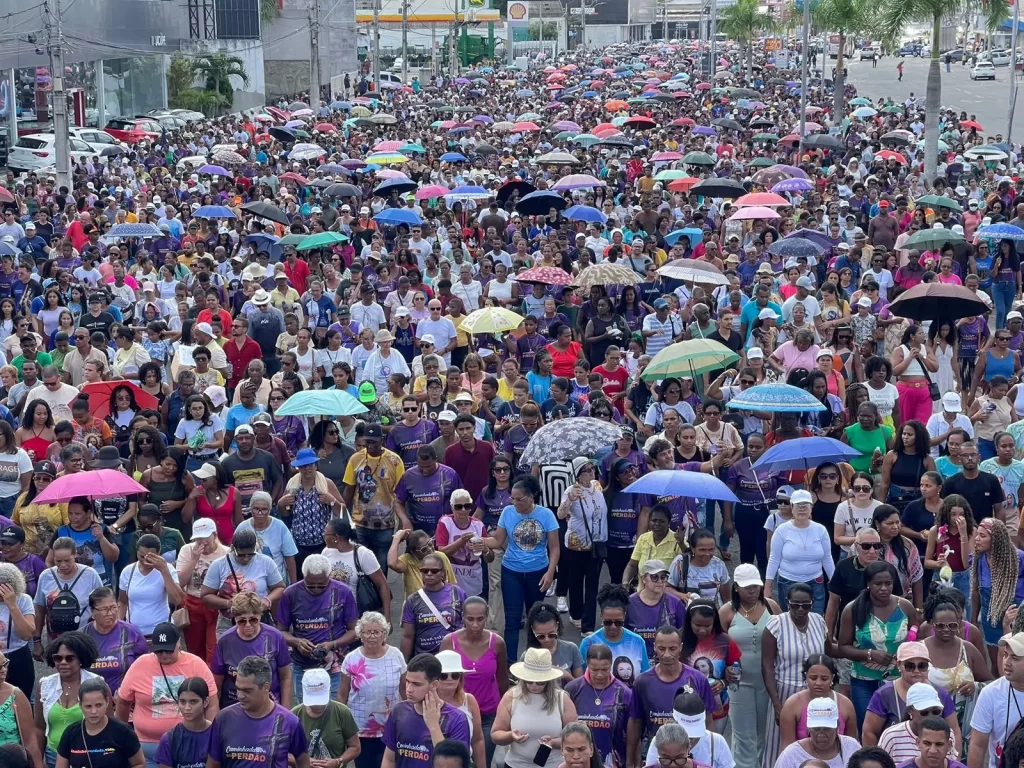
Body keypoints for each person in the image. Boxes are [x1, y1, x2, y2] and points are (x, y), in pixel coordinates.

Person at [115, 622, 218, 767]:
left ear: (179, 644)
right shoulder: (140, 665)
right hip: (147, 746)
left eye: (169, 650)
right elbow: (123, 702)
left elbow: (212, 703)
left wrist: (209, 738)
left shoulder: (196, 664)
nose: (164, 655)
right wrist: (123, 736)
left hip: (188, 743)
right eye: (159, 651)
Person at [480, 476, 559, 661]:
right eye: (512, 498)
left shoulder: (546, 515)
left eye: (519, 499)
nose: (514, 502)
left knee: (536, 620)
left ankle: (533, 660)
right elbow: (497, 540)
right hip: (511, 572)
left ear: (531, 497)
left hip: (538, 572)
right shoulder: (507, 512)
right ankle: (509, 665)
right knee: (512, 620)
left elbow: (554, 548)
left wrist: (550, 572)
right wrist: (478, 540)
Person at [762, 581, 828, 768]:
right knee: (779, 745)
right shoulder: (775, 624)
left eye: (806, 605)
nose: (801, 609)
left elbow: (830, 652)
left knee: (815, 739)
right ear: (787, 602)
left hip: (816, 692)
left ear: (812, 603)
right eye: (795, 605)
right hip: (785, 691)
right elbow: (767, 666)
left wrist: (865, 653)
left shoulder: (818, 621)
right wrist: (776, 704)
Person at [627, 625, 716, 764]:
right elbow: (635, 722)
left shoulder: (698, 679)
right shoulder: (642, 682)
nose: (667, 654)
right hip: (657, 755)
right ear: (655, 647)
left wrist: (709, 756)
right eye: (662, 649)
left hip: (691, 757)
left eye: (672, 649)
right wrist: (630, 762)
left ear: (680, 647)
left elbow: (708, 720)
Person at [437, 596, 507, 768]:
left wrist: (505, 713)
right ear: (462, 618)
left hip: (488, 715)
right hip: (456, 712)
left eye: (480, 619)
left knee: (483, 761)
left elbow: (502, 680)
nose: (475, 624)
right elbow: (438, 678)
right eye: (470, 619)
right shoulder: (449, 642)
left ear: (487, 618)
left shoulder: (497, 643)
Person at [276, 553, 357, 701]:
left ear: (329, 576)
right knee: (308, 708)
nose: (316, 589)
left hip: (335, 664)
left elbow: (354, 631)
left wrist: (332, 644)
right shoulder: (291, 594)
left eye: (321, 585)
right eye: (310, 585)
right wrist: (297, 642)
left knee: (334, 709)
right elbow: (281, 631)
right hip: (302, 664)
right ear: (304, 576)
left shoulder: (343, 592)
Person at [207, 655, 310, 768]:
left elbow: (303, 761)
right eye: (238, 688)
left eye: (247, 690)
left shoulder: (290, 722)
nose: (240, 695)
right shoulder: (223, 719)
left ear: (266, 687)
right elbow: (213, 764)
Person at [339, 612, 407, 768]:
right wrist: (342, 725)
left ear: (384, 634)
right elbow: (342, 694)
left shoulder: (396, 656)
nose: (372, 636)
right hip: (361, 727)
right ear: (360, 635)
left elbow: (404, 690)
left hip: (391, 726)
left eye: (376, 632)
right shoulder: (351, 658)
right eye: (367, 632)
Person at [491, 647, 577, 768]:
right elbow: (495, 734)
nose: (534, 686)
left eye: (540, 682)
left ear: (549, 680)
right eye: (529, 681)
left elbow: (575, 737)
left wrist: (554, 742)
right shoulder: (512, 696)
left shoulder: (562, 699)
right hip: (516, 764)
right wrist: (511, 736)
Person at [381, 653, 470, 768]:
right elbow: (389, 759)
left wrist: (433, 726)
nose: (409, 689)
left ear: (434, 685)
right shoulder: (399, 711)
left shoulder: (457, 719)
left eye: (417, 684)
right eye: (408, 682)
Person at [212, 592, 292, 709]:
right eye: (242, 621)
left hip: (269, 705)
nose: (248, 625)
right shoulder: (225, 641)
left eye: (253, 620)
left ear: (260, 616)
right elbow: (216, 683)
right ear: (235, 619)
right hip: (235, 706)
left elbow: (286, 676)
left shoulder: (275, 636)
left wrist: (285, 710)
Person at [33, 631, 102, 768]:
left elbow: (108, 726)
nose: (63, 662)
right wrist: (38, 762)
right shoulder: (45, 685)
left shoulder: (97, 684)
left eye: (70, 658)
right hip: (52, 756)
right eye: (58, 658)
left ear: (81, 659)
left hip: (87, 757)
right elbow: (39, 727)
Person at [200, 528, 285, 635]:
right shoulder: (219, 565)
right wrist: (229, 604)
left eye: (250, 555)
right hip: (229, 623)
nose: (246, 559)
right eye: (241, 555)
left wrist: (267, 600)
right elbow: (205, 596)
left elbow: (280, 588)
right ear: (232, 549)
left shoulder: (266, 562)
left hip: (258, 621)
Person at [765, 490, 835, 613]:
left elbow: (827, 558)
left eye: (805, 505)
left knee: (816, 618)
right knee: (791, 620)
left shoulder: (821, 530)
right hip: (788, 582)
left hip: (815, 582)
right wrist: (767, 587)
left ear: (811, 508)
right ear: (792, 507)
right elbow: (774, 559)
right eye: (798, 505)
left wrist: (835, 583)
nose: (802, 509)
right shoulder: (781, 530)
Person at [565, 644, 631, 768]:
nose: (599, 675)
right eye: (594, 670)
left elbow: (632, 734)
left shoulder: (624, 693)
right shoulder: (573, 689)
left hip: (613, 761)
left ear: (611, 665)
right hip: (578, 761)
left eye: (605, 669)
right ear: (587, 665)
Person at [55, 678, 143, 768]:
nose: (94, 711)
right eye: (88, 706)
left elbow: (139, 764)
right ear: (80, 705)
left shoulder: (123, 732)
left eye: (98, 705)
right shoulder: (70, 733)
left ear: (107, 702)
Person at [967, 630, 1024, 768]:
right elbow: (977, 746)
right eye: (1005, 655)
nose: (1007, 662)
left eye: (1015, 658)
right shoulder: (990, 693)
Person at [33, 537, 104, 645]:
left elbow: (102, 605)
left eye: (67, 560)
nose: (63, 565)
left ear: (75, 554)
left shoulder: (90, 575)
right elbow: (39, 609)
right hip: (56, 641)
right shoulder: (46, 576)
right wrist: (37, 640)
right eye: (58, 561)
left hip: (85, 638)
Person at [175, 518, 228, 663]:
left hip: (216, 604)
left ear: (214, 535)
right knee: (194, 649)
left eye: (205, 537)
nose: (202, 542)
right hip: (193, 602)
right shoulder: (187, 550)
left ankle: (210, 682)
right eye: (198, 538)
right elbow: (180, 582)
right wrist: (194, 559)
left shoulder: (226, 553)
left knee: (213, 648)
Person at [778, 655, 858, 750]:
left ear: (832, 678)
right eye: (813, 678)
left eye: (824, 679)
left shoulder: (846, 705)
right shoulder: (792, 705)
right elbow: (787, 747)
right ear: (805, 676)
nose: (818, 683)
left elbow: (851, 746)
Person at [81, 587, 148, 697]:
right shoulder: (82, 637)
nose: (110, 613)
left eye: (113, 607)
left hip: (125, 699)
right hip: (92, 702)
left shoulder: (132, 633)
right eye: (104, 609)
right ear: (92, 611)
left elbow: (145, 666)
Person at [320, 518, 391, 618]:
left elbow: (382, 585)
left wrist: (387, 619)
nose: (324, 537)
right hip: (332, 613)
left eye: (326, 534)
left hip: (357, 614)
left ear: (336, 537)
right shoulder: (326, 552)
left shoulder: (363, 554)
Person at [290, 667, 361, 768]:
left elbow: (355, 747)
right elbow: (284, 752)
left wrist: (338, 761)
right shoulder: (294, 715)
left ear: (330, 689)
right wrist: (304, 762)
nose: (317, 705)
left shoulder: (342, 712)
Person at [118, 533, 185, 637]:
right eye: (141, 556)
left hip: (161, 632)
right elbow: (122, 601)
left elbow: (177, 600)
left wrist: (164, 571)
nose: (145, 561)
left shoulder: (167, 569)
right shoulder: (128, 571)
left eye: (150, 557)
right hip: (134, 633)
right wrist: (118, 625)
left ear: (158, 553)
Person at [877, 683, 958, 765]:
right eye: (924, 712)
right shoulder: (891, 736)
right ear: (910, 711)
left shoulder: (947, 733)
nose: (931, 716)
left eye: (936, 712)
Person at [774, 697, 862, 768]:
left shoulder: (852, 747)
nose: (821, 734)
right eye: (816, 728)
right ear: (808, 727)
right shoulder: (791, 755)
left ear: (837, 725)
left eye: (827, 728)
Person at [433, 650, 485, 768]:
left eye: (455, 674)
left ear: (461, 677)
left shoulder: (469, 701)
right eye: (444, 675)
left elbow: (478, 740)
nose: (450, 678)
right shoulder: (425, 702)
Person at [234, 492, 298, 585]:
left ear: (270, 510)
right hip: (249, 581)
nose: (260, 513)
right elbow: (234, 554)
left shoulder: (280, 526)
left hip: (278, 580)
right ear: (251, 509)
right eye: (256, 509)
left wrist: (293, 584)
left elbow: (289, 556)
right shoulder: (242, 527)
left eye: (264, 509)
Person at [153, 677, 214, 768]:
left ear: (205, 702)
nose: (187, 708)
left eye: (193, 702)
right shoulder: (169, 739)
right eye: (182, 702)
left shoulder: (216, 734)